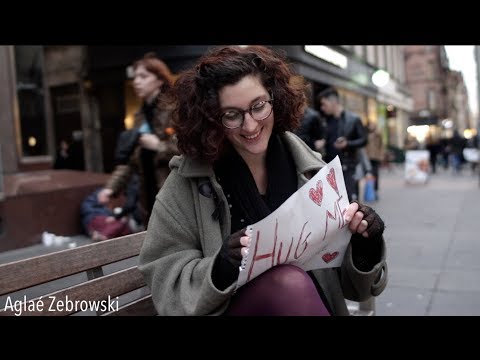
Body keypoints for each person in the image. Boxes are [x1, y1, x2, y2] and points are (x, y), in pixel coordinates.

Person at [139, 45, 387, 316]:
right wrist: (220, 269)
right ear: (210, 118)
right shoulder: (185, 183)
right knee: (288, 282)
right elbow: (164, 278)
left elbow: (354, 288)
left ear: (275, 99)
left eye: (258, 107)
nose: (250, 126)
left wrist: (365, 244)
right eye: (231, 115)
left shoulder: (311, 170)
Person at [97, 52, 179, 227]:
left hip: (175, 193)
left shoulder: (175, 109)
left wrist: (159, 146)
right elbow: (130, 160)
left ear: (159, 79)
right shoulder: (139, 116)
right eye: (135, 77)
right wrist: (111, 188)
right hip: (148, 192)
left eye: (143, 76)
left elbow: (191, 149)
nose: (136, 81)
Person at [318, 87, 368, 202]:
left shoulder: (353, 119)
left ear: (333, 102)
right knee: (334, 200)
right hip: (329, 166)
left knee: (348, 198)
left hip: (347, 166)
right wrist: (323, 142)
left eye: (324, 104)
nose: (322, 108)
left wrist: (347, 144)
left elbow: (364, 140)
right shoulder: (325, 120)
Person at [294, 85, 326, 154]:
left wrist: (320, 143)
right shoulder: (291, 114)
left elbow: (321, 136)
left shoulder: (313, 116)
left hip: (309, 151)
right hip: (295, 150)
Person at [365, 121, 384, 191]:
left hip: (376, 156)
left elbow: (381, 145)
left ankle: (375, 188)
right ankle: (370, 188)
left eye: (373, 125)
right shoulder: (365, 134)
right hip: (368, 157)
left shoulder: (378, 134)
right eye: (370, 125)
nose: (371, 127)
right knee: (369, 173)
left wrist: (381, 155)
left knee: (375, 173)